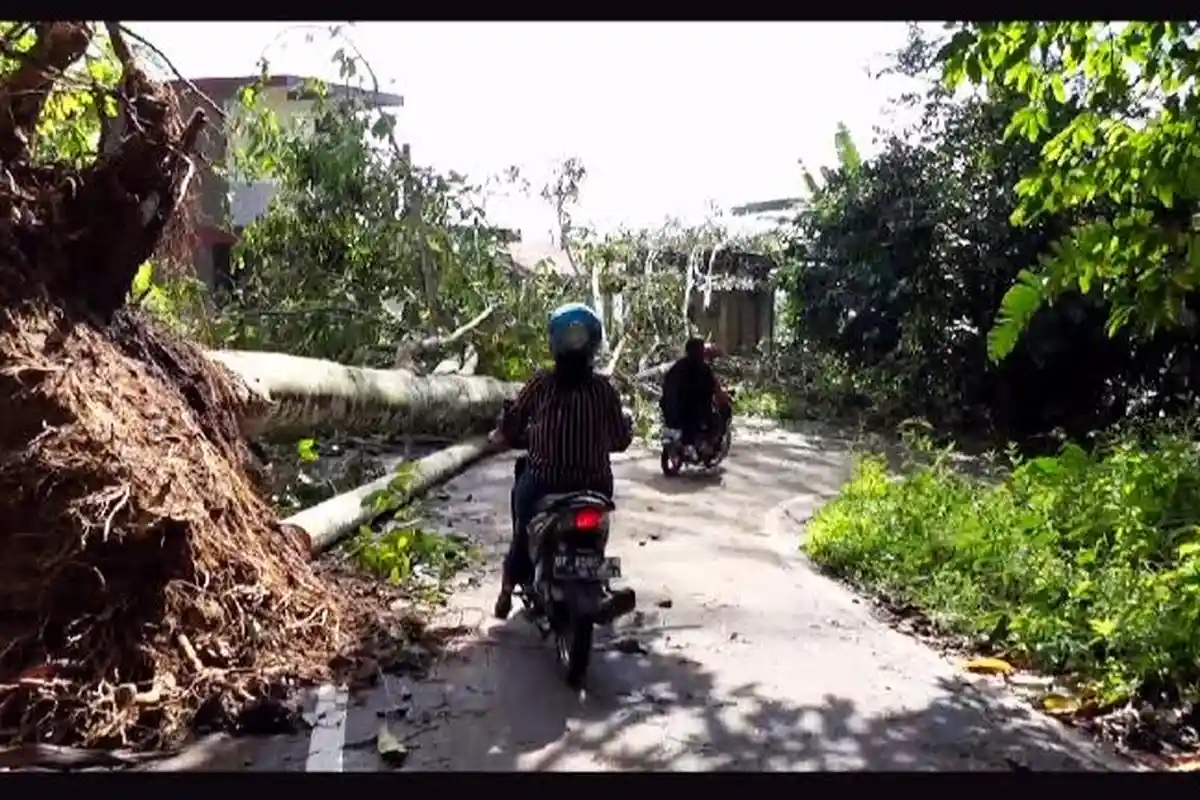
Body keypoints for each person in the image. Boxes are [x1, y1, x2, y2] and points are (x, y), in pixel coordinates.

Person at [488, 302, 633, 619]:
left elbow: (512, 425)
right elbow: (621, 440)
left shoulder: (541, 384)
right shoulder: (604, 390)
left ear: (554, 344)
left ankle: (507, 588)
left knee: (522, 530)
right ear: (594, 346)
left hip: (544, 480)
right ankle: (600, 584)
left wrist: (504, 435)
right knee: (596, 536)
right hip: (595, 485)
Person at [661, 337, 731, 456]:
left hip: (669, 412)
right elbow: (715, 389)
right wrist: (723, 399)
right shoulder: (702, 369)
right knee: (721, 416)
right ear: (699, 351)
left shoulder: (677, 366)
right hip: (693, 414)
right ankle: (710, 445)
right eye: (702, 350)